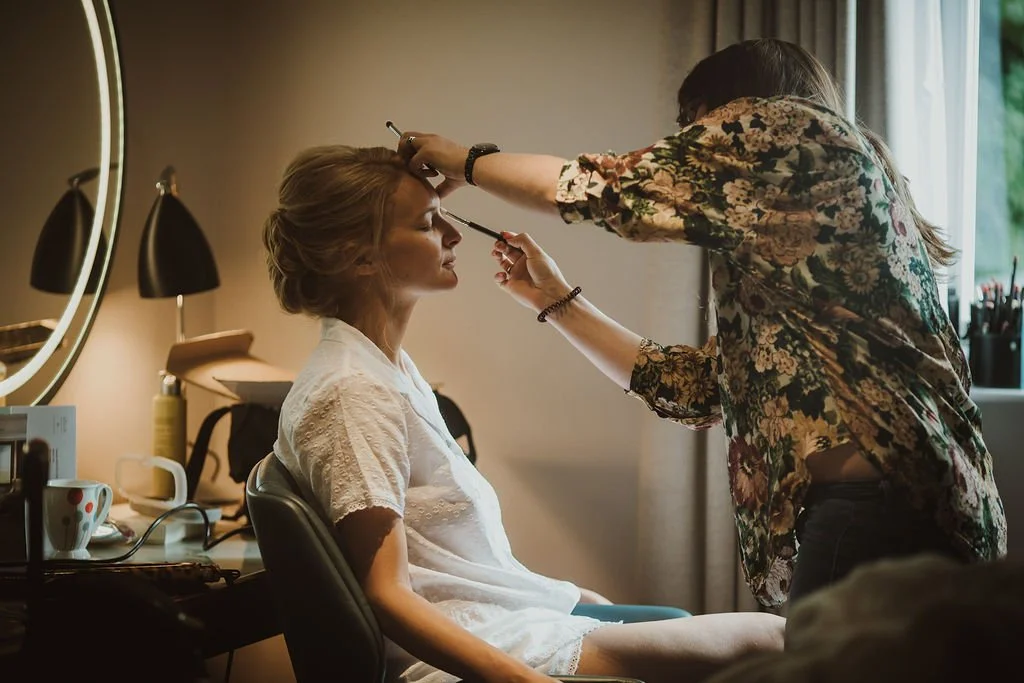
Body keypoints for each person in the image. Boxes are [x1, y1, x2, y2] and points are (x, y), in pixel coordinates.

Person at [398, 37, 1008, 608]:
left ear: (735, 113)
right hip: (901, 505)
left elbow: (601, 188)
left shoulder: (793, 130)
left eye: (693, 128)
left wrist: (465, 159)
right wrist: (556, 302)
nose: (690, 147)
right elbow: (700, 388)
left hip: (877, 510)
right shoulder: (809, 229)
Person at [262, 144, 785, 683]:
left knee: (701, 628)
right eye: (426, 224)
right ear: (361, 258)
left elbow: (443, 565)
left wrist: (569, 599)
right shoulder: (352, 393)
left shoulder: (385, 368)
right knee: (776, 640)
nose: (454, 235)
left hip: (502, 621)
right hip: (485, 646)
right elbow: (388, 595)